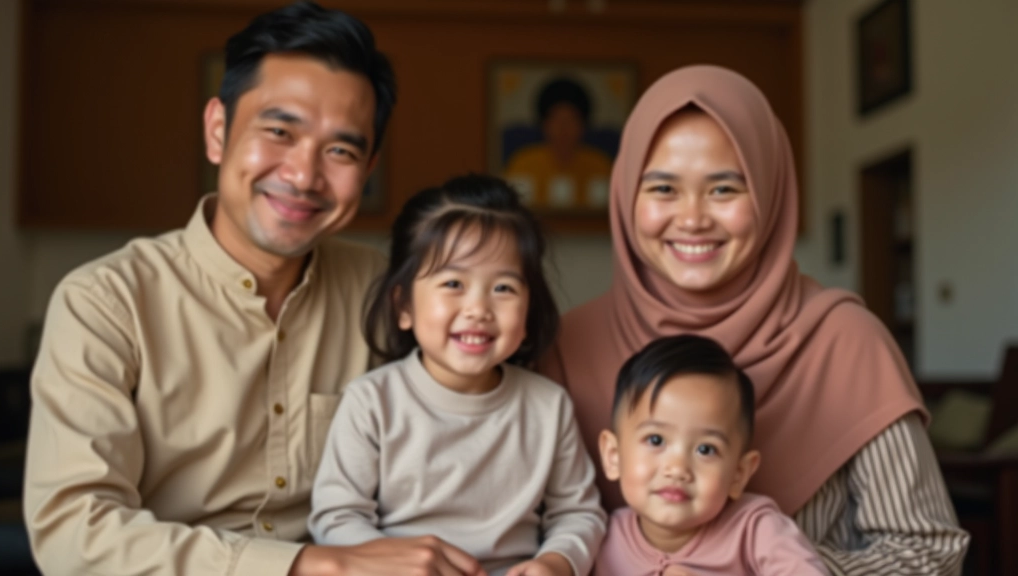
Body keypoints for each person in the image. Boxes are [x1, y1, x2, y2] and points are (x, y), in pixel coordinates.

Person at [23, 3, 489, 575]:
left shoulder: (388, 294)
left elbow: (479, 426)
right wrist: (308, 566)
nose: (303, 175)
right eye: (279, 132)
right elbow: (75, 533)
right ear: (218, 131)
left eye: (340, 150)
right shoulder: (104, 303)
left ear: (366, 172)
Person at [539, 65, 970, 574]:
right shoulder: (567, 347)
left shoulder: (845, 341)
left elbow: (929, 555)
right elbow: (517, 532)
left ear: (769, 194)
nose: (693, 217)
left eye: (724, 190)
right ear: (625, 197)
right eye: (663, 189)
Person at [308, 174, 607, 576]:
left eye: (503, 288)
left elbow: (578, 513)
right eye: (453, 283)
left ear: (528, 309)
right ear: (404, 305)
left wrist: (555, 562)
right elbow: (336, 517)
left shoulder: (547, 406)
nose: (478, 308)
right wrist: (390, 561)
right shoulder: (372, 401)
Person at [594, 334, 829, 576]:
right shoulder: (600, 539)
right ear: (614, 456)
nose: (678, 469)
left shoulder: (755, 529)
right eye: (656, 440)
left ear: (739, 474)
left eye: (705, 449)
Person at [504, 77, 613, 210]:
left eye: (571, 120)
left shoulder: (600, 165)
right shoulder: (523, 162)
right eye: (556, 120)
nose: (563, 128)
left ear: (583, 126)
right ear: (544, 124)